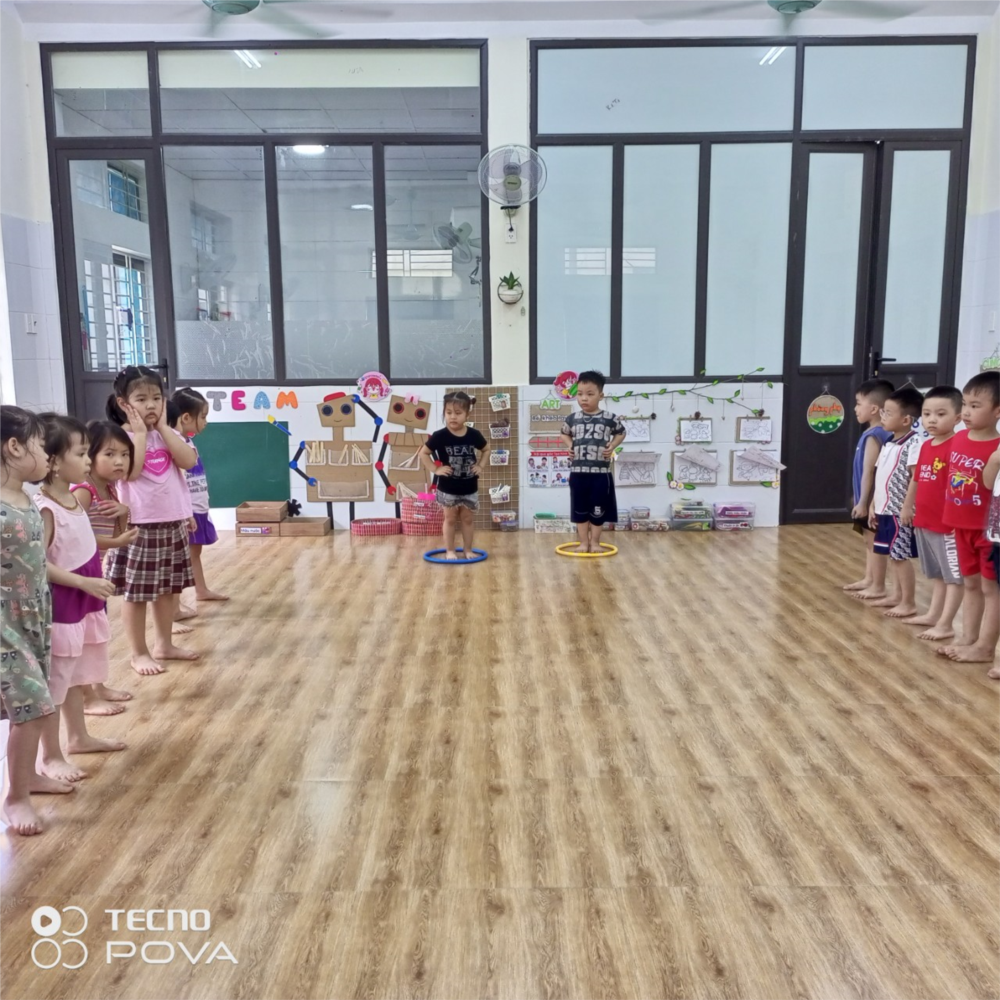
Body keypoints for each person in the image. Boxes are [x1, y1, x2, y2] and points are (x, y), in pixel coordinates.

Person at [34, 414, 125, 783]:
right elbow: (38, 564)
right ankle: (50, 756)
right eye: (81, 453)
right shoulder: (45, 508)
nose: (88, 461)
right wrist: (82, 583)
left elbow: (82, 541)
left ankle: (78, 737)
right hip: (63, 608)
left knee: (73, 678)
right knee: (56, 684)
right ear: (54, 462)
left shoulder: (71, 500)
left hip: (83, 602)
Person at [0, 405, 72, 836]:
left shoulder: (27, 500)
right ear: (13, 447)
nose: (47, 456)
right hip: (4, 623)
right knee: (31, 706)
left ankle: (28, 777)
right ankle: (15, 797)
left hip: (34, 616)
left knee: (34, 704)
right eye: (41, 447)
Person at [104, 365, 199, 675]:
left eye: (157, 398)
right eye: (141, 399)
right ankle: (138, 653)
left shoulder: (167, 434)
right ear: (123, 403)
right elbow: (130, 473)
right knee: (137, 594)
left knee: (168, 589)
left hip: (172, 522)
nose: (151, 405)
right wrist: (143, 436)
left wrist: (163, 430)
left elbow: (188, 461)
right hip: (139, 526)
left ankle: (164, 644)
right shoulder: (121, 438)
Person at [71, 420, 138, 715]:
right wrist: (116, 541)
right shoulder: (83, 491)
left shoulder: (111, 489)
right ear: (90, 456)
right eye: (109, 454)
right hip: (78, 575)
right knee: (82, 637)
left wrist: (125, 511)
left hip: (95, 570)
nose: (119, 461)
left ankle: (97, 686)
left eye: (125, 454)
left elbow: (119, 532)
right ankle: (86, 696)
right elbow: (76, 537)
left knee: (96, 634)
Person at [938, 372, 1000, 662]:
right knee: (971, 583)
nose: (966, 412)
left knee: (990, 588)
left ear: (997, 411)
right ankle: (968, 637)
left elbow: (987, 484)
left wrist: (995, 460)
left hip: (986, 530)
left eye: (975, 406)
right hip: (960, 526)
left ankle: (985, 647)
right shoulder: (959, 437)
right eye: (964, 404)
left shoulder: (996, 446)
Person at [899, 387, 964, 641]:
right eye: (927, 414)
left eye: (940, 414)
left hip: (946, 524)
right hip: (924, 520)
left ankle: (946, 624)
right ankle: (934, 615)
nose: (932, 420)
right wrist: (908, 505)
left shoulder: (957, 445)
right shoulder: (926, 445)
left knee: (953, 577)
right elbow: (917, 478)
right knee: (937, 574)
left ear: (957, 417)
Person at [863, 386, 923, 617]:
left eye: (888, 413)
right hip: (884, 509)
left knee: (900, 556)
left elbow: (915, 477)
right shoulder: (888, 443)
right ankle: (897, 596)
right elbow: (881, 476)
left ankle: (908, 602)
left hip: (899, 511)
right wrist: (873, 505)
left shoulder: (914, 444)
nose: (883, 417)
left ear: (906, 419)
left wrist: (907, 506)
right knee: (891, 554)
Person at [170, 388, 227, 608]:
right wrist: (186, 512)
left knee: (195, 551)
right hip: (187, 510)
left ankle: (201, 590)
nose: (206, 422)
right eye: (202, 417)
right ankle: (173, 606)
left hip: (198, 507)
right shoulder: (175, 443)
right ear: (186, 418)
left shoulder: (188, 441)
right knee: (178, 558)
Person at [560, 370, 626, 553]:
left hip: (601, 475)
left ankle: (595, 543)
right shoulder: (572, 419)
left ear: (600, 395)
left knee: (598, 510)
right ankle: (583, 543)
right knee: (580, 510)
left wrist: (612, 445)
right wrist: (570, 446)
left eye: (590, 394)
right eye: (580, 394)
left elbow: (621, 432)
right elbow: (564, 433)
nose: (584, 398)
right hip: (578, 474)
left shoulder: (609, 418)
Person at [418, 392, 489, 560]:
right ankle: (450, 550)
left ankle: (468, 550)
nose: (453, 417)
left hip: (469, 487)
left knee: (467, 519)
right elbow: (423, 453)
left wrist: (480, 466)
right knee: (450, 519)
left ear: (467, 414)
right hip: (448, 488)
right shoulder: (439, 435)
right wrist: (436, 469)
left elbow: (486, 449)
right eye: (448, 412)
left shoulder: (474, 434)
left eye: (458, 413)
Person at [844, 378, 895, 598]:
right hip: (866, 498)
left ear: (874, 409)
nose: (855, 408)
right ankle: (869, 578)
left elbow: (869, 472)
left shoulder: (875, 435)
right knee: (868, 539)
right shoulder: (872, 433)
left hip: (873, 500)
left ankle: (878, 585)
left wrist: (863, 502)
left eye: (858, 403)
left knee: (874, 541)